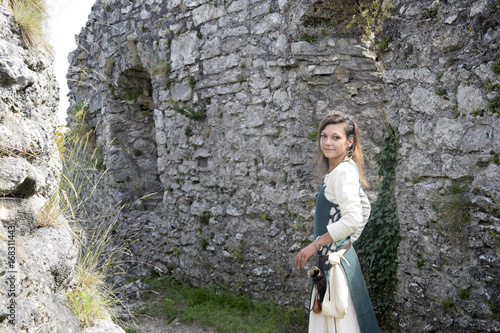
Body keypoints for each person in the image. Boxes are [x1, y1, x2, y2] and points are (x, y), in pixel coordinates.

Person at [295, 111, 380, 333]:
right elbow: (365, 208)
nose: (327, 142)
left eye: (336, 137)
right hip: (338, 260)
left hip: (335, 266)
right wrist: (347, 243)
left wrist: (317, 245)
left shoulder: (343, 172)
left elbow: (353, 218)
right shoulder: (344, 169)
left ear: (349, 141)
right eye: (324, 136)